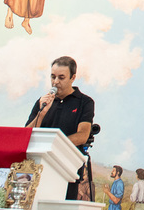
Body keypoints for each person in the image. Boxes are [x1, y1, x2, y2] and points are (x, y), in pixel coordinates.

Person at [26, 56, 96, 200]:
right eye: (53, 77)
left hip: (67, 167)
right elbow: (26, 134)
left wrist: (53, 146)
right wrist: (42, 113)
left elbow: (82, 135)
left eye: (61, 77)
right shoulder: (42, 102)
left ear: (73, 78)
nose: (55, 82)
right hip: (38, 166)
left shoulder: (85, 102)